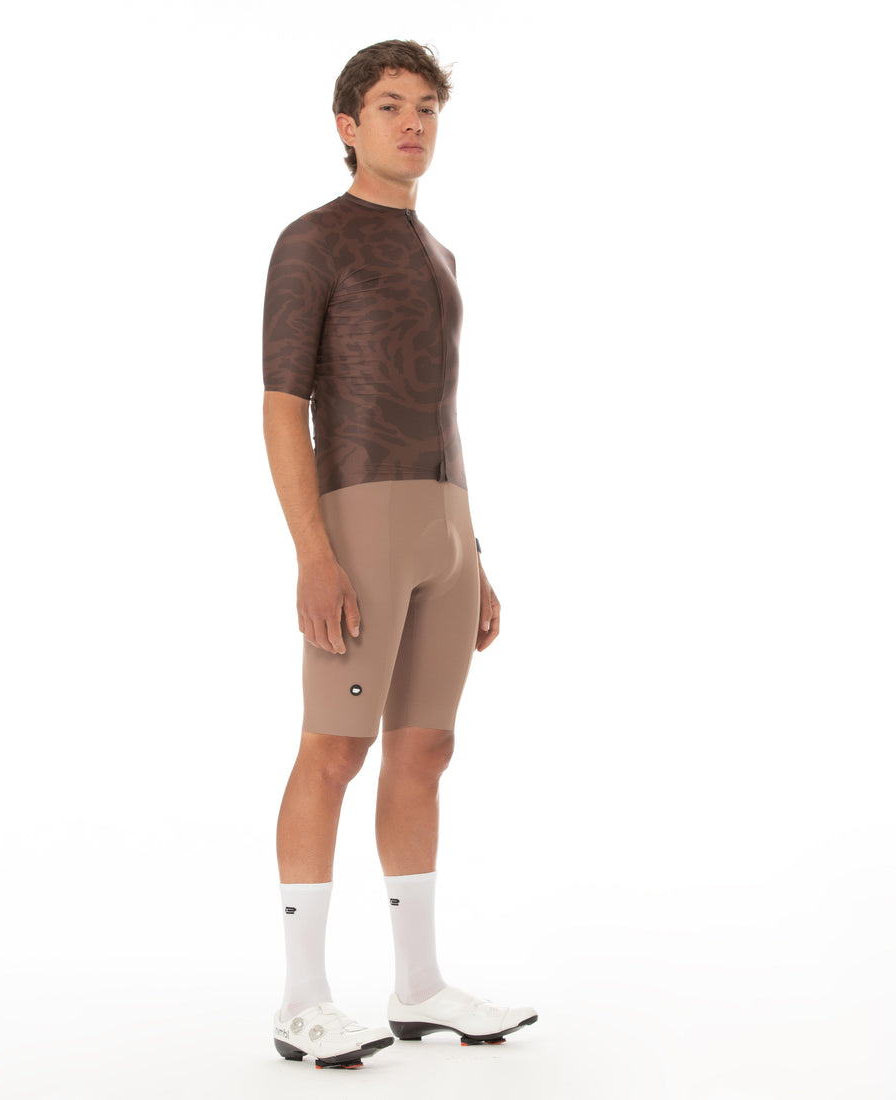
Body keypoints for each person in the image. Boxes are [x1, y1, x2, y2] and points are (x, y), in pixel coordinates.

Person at [262, 39, 537, 1070]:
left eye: (425, 106)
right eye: (389, 106)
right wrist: (313, 554)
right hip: (360, 518)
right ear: (348, 126)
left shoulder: (440, 254)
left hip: (443, 521)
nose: (412, 122)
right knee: (334, 748)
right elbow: (282, 405)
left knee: (425, 749)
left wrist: (474, 548)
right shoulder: (312, 241)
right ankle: (300, 1000)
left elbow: (441, 408)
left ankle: (418, 986)